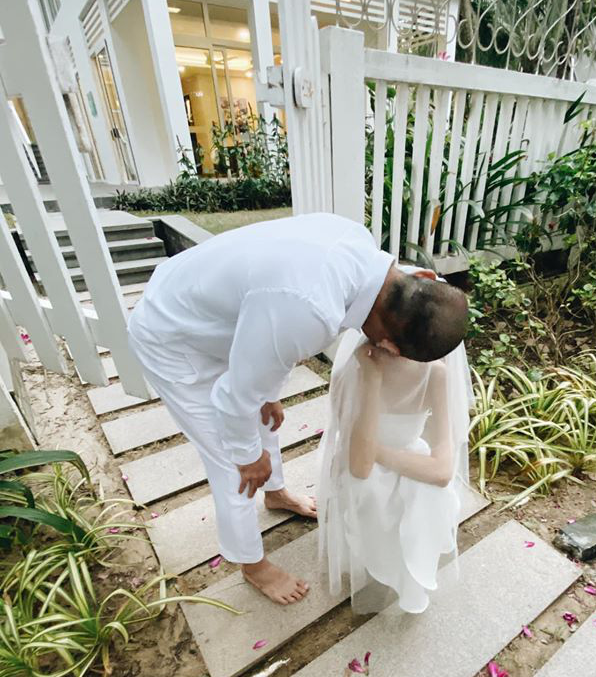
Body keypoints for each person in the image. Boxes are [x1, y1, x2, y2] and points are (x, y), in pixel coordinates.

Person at [127, 212, 468, 606]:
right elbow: (234, 400)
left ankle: (276, 496)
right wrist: (247, 455)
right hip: (172, 331)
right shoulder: (311, 309)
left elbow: (271, 329)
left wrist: (266, 389)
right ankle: (252, 564)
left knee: (265, 415)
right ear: (390, 346)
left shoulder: (357, 244)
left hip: (221, 313)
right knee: (229, 460)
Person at [317, 325, 473, 615]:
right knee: (369, 490)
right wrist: (372, 379)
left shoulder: (435, 373)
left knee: (429, 495)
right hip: (363, 468)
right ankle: (372, 558)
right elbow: (360, 467)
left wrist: (375, 451)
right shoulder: (351, 372)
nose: (389, 347)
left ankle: (406, 569)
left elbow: (442, 472)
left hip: (401, 455)